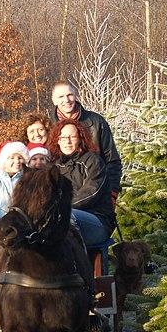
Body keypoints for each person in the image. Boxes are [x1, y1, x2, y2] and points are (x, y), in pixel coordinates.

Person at [48, 81, 122, 207]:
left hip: (95, 196)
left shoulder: (96, 122)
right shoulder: (48, 126)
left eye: (70, 95)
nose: (66, 100)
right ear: (54, 100)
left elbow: (112, 161)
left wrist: (111, 194)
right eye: (61, 97)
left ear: (76, 95)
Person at [47, 119, 115, 247]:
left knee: (68, 217)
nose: (67, 141)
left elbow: (90, 193)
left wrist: (61, 208)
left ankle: (79, 262)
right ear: (58, 140)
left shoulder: (93, 162)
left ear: (80, 138)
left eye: (72, 137)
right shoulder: (54, 166)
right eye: (63, 137)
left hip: (97, 219)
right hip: (60, 216)